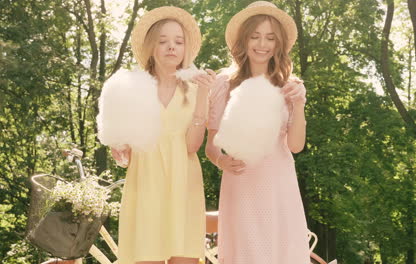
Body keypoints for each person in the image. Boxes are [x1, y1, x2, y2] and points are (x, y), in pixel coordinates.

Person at [104, 6, 215, 264]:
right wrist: (118, 145)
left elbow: (191, 146)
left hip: (183, 184)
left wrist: (203, 97)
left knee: (184, 257)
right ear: (151, 46)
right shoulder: (132, 87)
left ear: (186, 48)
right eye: (163, 41)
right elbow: (123, 147)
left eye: (178, 41)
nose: (171, 47)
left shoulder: (195, 87)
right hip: (146, 184)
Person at [205, 1, 310, 264]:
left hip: (279, 184)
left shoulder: (291, 87)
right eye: (255, 36)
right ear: (244, 40)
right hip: (240, 185)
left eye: (270, 38)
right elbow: (211, 145)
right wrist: (221, 160)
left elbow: (296, 146)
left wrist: (299, 104)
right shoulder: (223, 85)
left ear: (279, 44)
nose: (262, 44)